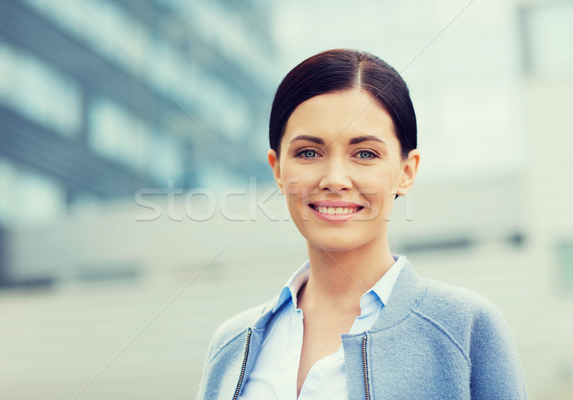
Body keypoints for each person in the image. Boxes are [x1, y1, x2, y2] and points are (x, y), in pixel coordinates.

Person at [197, 49, 528, 400]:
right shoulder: (232, 344)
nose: (335, 179)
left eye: (365, 154)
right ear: (278, 170)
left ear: (406, 171)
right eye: (309, 153)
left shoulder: (466, 328)